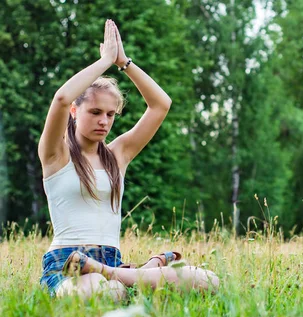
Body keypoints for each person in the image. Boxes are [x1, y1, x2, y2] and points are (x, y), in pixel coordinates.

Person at [38, 19, 219, 300]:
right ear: (75, 110)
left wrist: (124, 63)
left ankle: (122, 274)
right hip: (67, 264)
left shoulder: (117, 154)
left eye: (110, 115)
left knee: (206, 280)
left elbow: (161, 105)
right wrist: (105, 61)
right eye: (95, 112)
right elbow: (61, 98)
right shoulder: (56, 155)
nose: (104, 121)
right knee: (106, 293)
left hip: (111, 261)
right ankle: (140, 274)